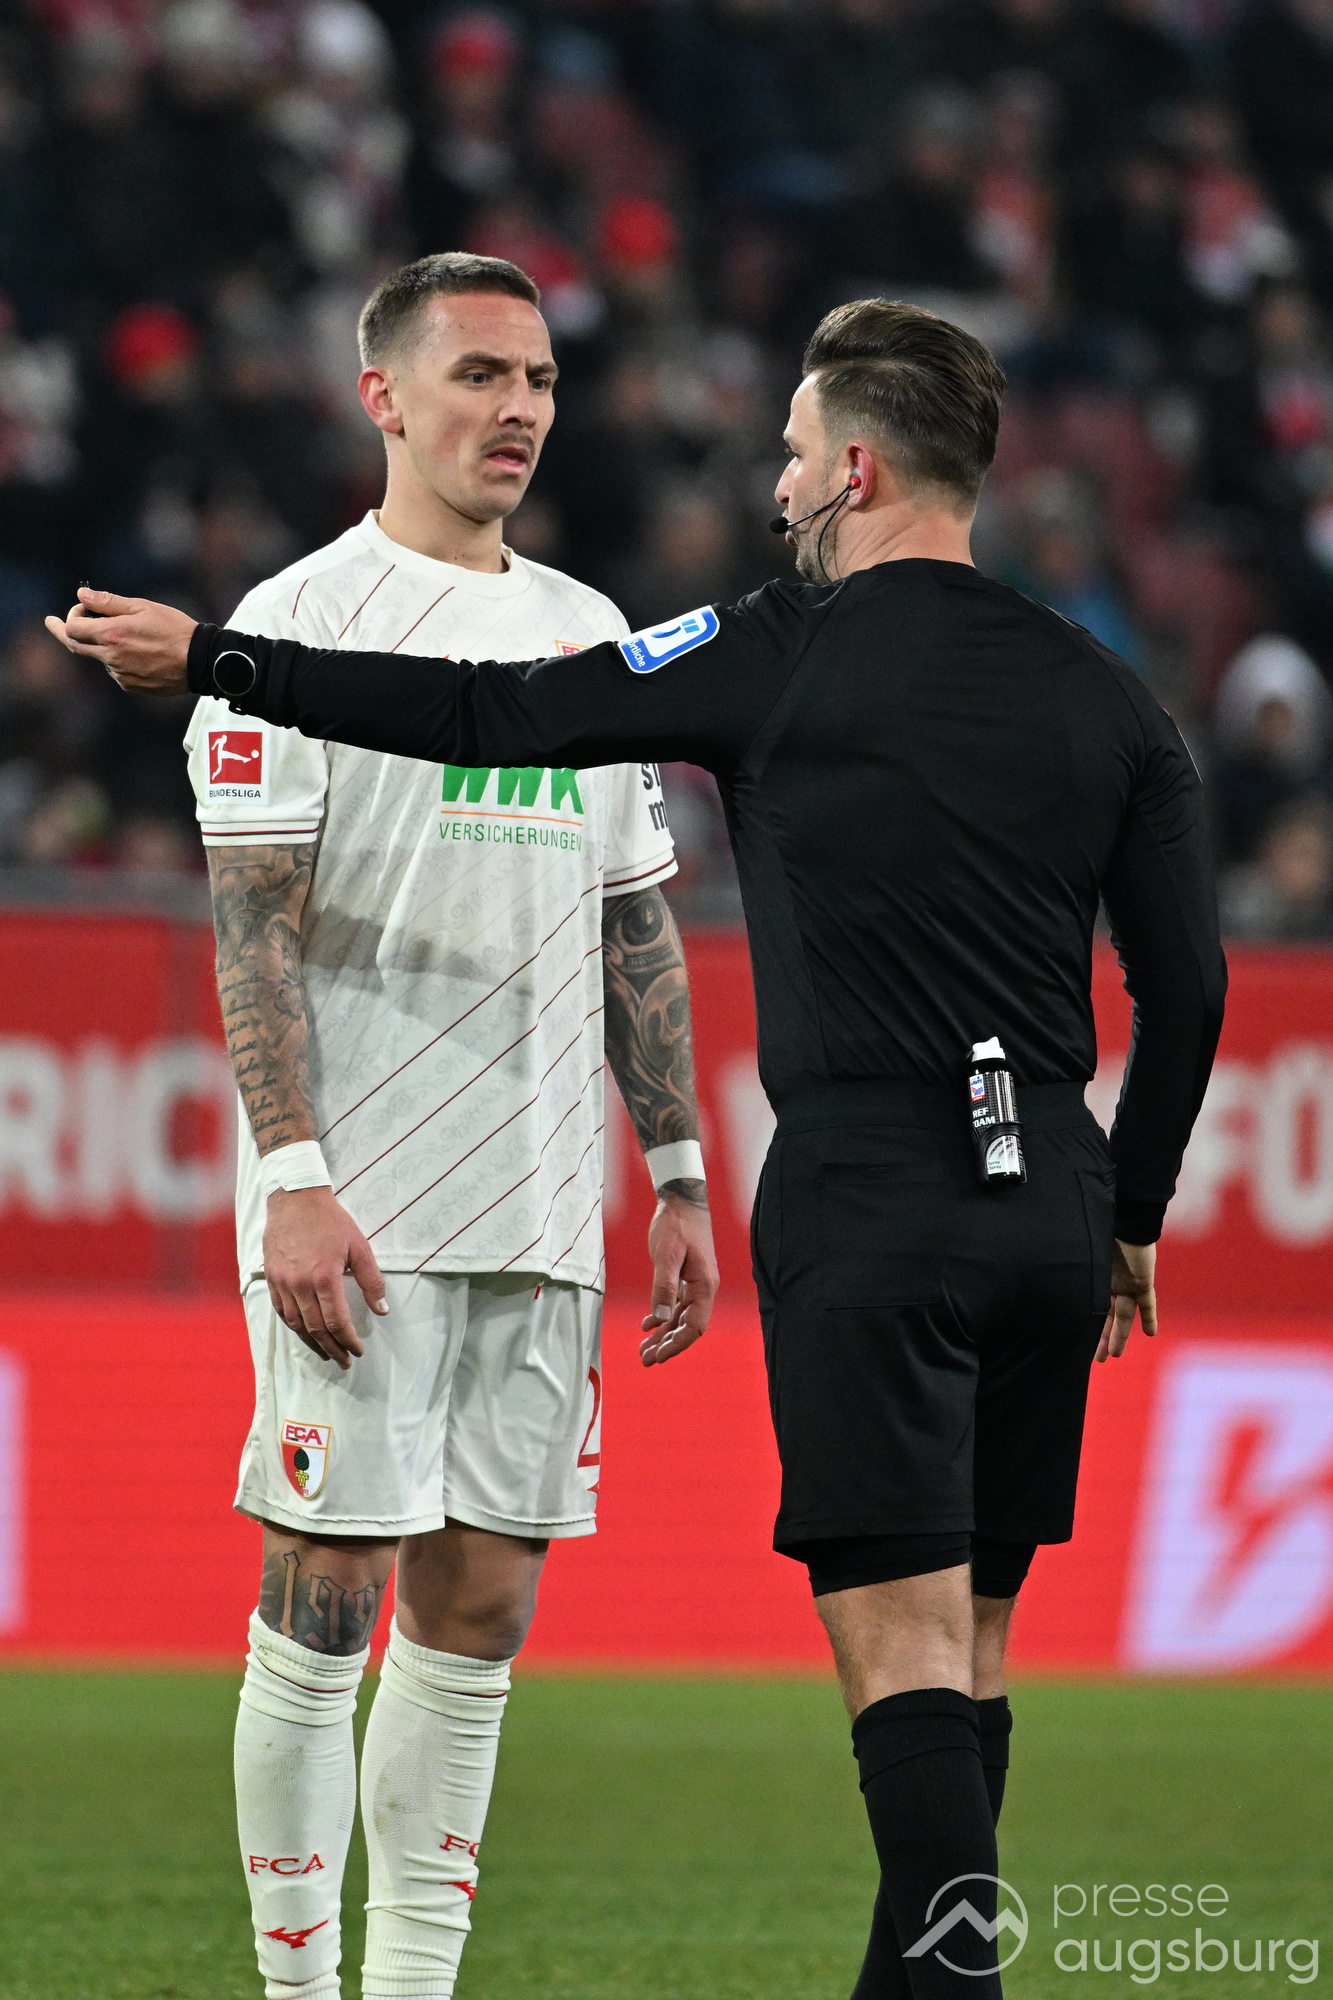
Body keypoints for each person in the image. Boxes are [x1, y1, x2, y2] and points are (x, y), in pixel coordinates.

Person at [51, 297, 1225, 1999]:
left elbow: (500, 718)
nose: (775, 486)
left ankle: (949, 1981)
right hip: (1050, 1195)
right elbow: (1186, 990)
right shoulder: (1110, 692)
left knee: (897, 1651)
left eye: (793, 456)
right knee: (973, 1642)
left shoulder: (770, 643)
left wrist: (222, 660)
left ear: (856, 469)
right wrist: (1131, 1206)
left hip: (870, 1193)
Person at [57, 249, 719, 2000]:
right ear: (383, 397)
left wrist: (673, 1171)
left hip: (541, 1199)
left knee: (482, 1612)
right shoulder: (292, 629)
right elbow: (253, 931)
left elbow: (633, 917)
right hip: (365, 1207)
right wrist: (291, 1179)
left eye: (540, 380)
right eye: (480, 374)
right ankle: (299, 1991)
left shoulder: (589, 633)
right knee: (326, 1598)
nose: (518, 410)